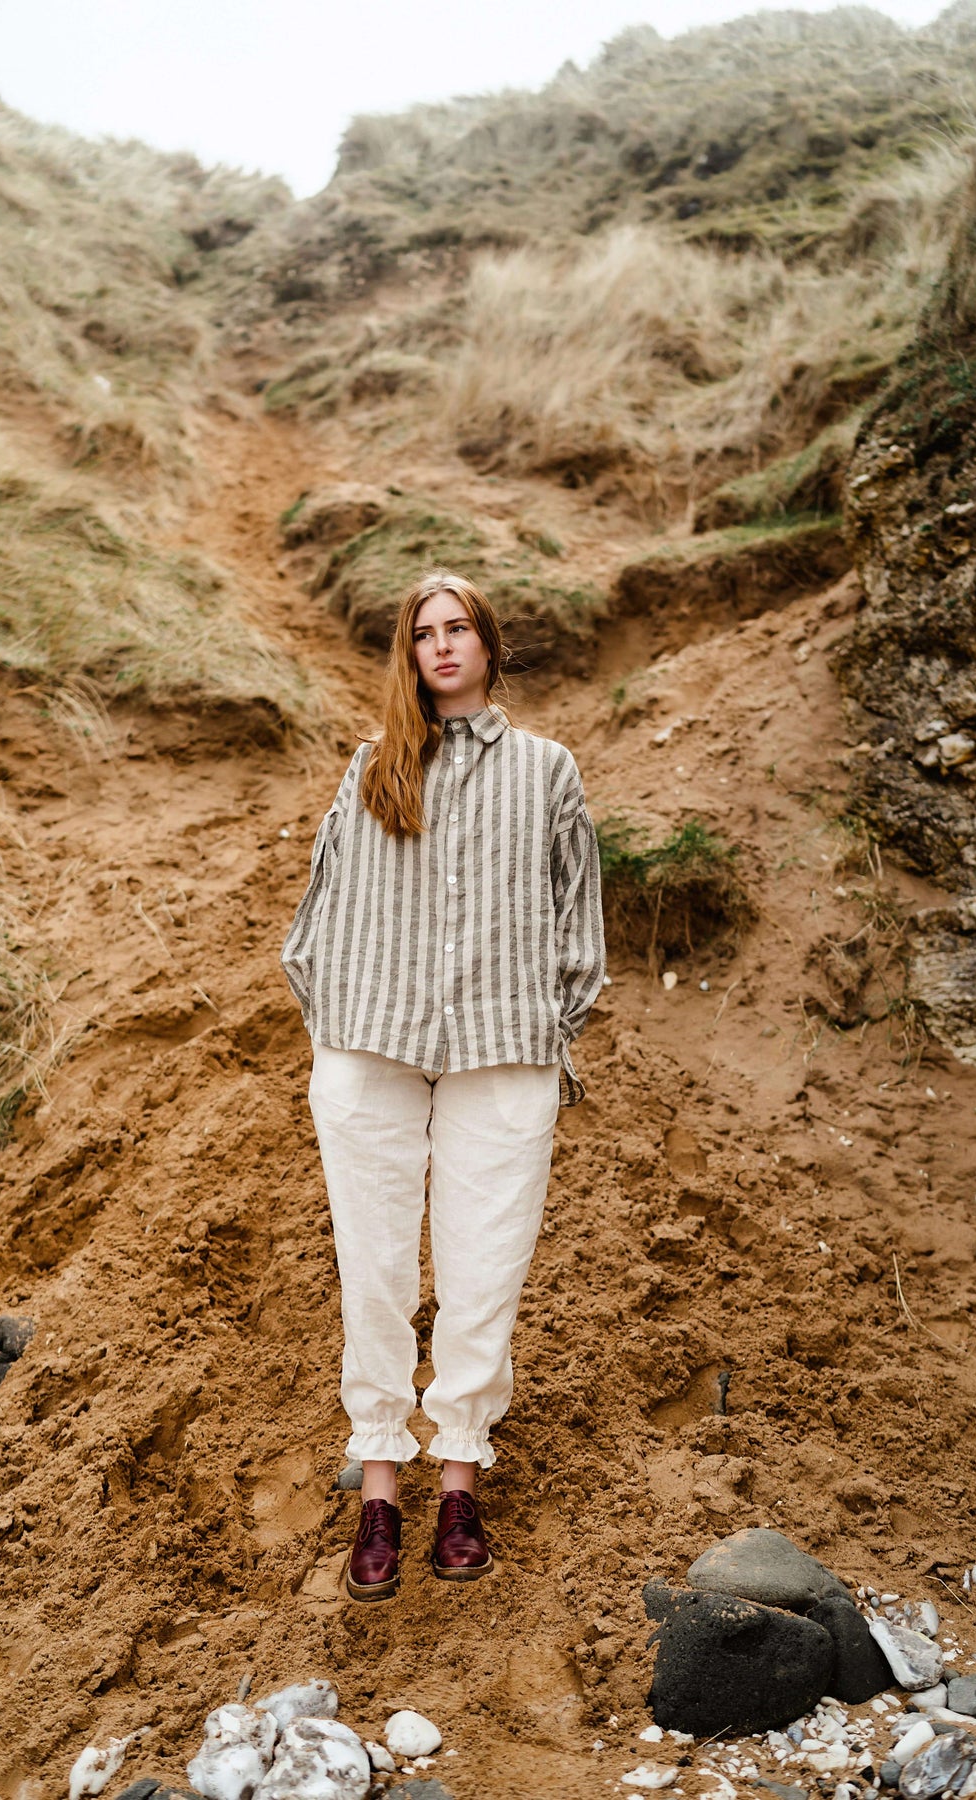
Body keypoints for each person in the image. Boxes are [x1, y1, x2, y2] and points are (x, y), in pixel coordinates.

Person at [281, 568, 605, 1601]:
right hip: (370, 1048)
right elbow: (319, 911)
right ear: (409, 655)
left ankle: (458, 1474)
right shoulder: (373, 766)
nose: (445, 646)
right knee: (373, 1266)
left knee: (484, 1270)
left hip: (505, 1049)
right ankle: (381, 1479)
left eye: (461, 628)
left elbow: (579, 923)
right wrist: (336, 1020)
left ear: (489, 645)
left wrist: (550, 1025)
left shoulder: (548, 769)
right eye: (426, 633)